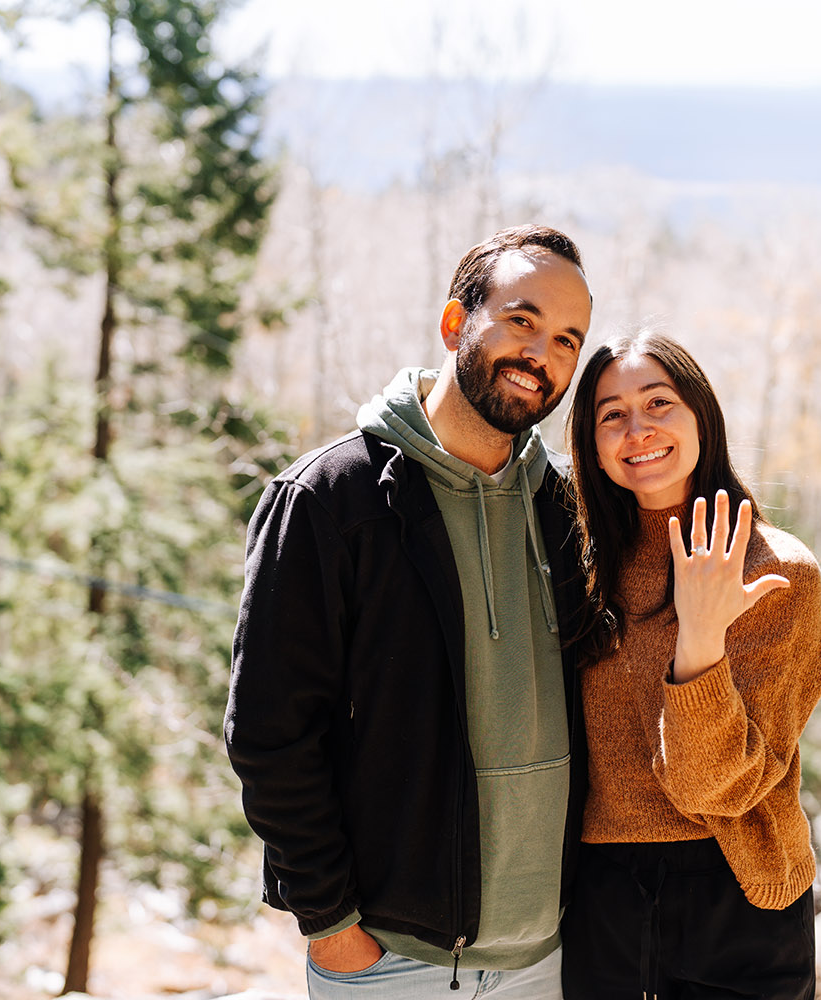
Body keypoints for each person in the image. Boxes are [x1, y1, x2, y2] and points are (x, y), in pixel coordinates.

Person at [224, 225, 593, 999]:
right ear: (456, 323)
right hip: (393, 961)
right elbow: (270, 732)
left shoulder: (566, 508)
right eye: (521, 320)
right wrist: (331, 924)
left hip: (550, 956)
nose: (542, 355)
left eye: (567, 339)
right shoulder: (330, 500)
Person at [560, 331, 821, 1000]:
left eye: (659, 402)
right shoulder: (581, 570)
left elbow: (721, 789)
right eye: (611, 414)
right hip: (604, 902)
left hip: (738, 894)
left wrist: (702, 638)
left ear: (700, 414)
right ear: (591, 444)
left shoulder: (777, 571)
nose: (638, 429)